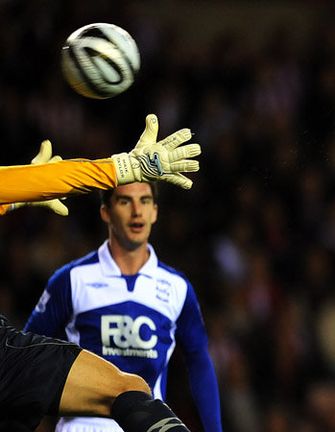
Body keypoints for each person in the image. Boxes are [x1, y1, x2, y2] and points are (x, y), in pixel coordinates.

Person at [0, 114, 200, 432]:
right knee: (126, 388)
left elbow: (8, 186)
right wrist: (124, 169)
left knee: (127, 388)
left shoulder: (174, 285)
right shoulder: (74, 280)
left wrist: (19, 194)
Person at [25, 180, 222, 432]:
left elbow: (199, 361)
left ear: (155, 212)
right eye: (124, 201)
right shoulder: (71, 280)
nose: (137, 211)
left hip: (150, 424)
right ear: (106, 212)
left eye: (145, 201)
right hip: (83, 425)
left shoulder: (177, 287)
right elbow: (29, 355)